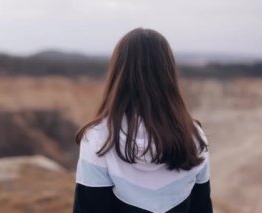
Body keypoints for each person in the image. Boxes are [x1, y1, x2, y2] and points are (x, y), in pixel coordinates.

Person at [73, 28, 213, 213]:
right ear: (168, 73)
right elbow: (201, 207)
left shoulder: (98, 138)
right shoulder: (194, 135)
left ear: (119, 72)